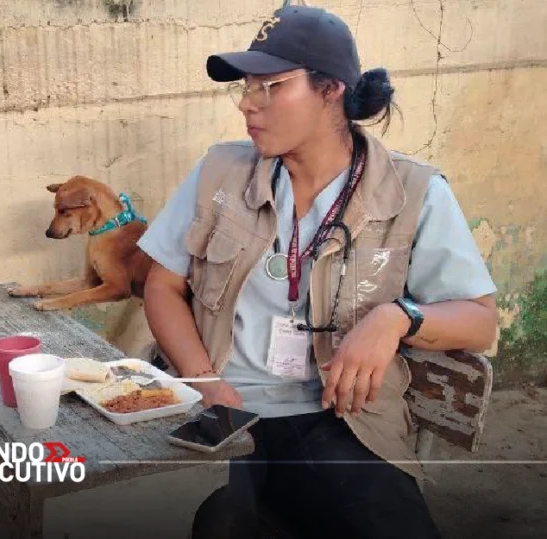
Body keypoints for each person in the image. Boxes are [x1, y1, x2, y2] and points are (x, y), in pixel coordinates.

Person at [136, 5, 498, 539]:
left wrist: (397, 318)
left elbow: (480, 322)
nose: (246, 104)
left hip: (341, 421)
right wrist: (206, 380)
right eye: (245, 87)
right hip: (228, 413)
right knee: (220, 523)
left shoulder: (411, 193)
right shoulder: (220, 172)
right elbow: (162, 286)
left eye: (270, 87)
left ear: (331, 91)